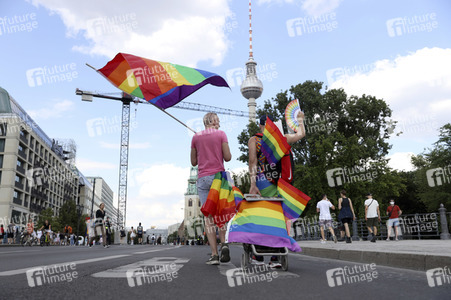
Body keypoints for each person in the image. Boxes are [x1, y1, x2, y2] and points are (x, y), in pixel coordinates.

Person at [248, 113, 306, 267]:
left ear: (260, 126)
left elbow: (253, 162)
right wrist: (300, 120)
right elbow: (301, 134)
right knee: (278, 218)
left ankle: (258, 257)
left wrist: (253, 185)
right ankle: (275, 257)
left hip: (263, 182)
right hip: (281, 183)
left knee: (262, 217)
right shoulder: (283, 138)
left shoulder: (254, 140)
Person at [191, 112, 232, 265]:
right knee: (220, 212)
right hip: (218, 178)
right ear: (213, 121)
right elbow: (227, 157)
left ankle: (214, 255)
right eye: (218, 120)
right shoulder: (221, 134)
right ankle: (224, 244)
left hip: (203, 179)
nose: (219, 123)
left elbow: (193, 161)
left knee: (208, 218)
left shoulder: (196, 137)